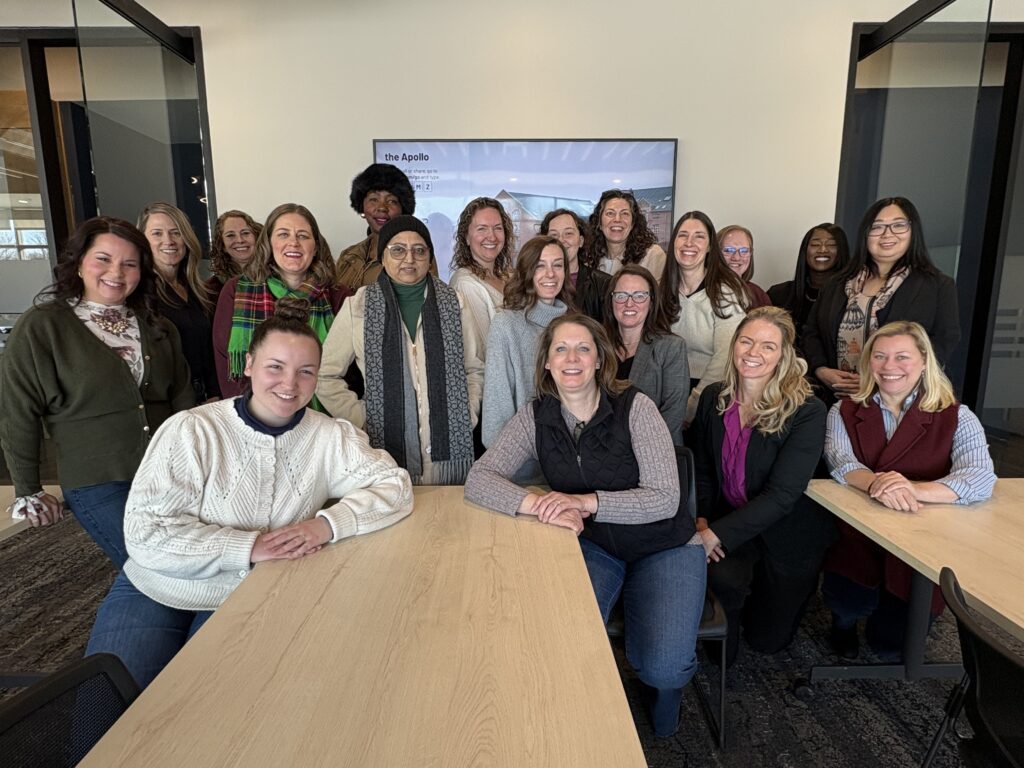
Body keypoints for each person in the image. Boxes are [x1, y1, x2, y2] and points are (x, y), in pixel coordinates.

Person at [85, 299, 414, 689]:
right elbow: (145, 533)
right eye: (275, 367)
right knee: (103, 708)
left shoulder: (330, 435)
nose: (289, 384)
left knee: (199, 702)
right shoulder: (192, 429)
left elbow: (396, 486)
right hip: (157, 585)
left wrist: (326, 525)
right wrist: (248, 547)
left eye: (305, 372)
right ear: (249, 366)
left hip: (249, 592)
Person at [465, 314, 705, 738]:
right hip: (594, 545)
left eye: (583, 348)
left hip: (663, 544)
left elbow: (665, 498)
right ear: (546, 362)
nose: (571, 358)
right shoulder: (535, 416)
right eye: (560, 349)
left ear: (599, 360)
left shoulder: (636, 407)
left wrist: (585, 502)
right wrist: (538, 505)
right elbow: (479, 479)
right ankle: (578, 722)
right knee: (562, 642)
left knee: (663, 668)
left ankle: (664, 694)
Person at [0, 217, 194, 567]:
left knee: (199, 559)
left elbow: (181, 398)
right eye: (103, 259)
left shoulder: (157, 325)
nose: (116, 272)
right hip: (99, 480)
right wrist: (28, 489)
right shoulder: (43, 326)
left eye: (129, 264)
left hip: (169, 473)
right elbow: (18, 412)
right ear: (79, 263)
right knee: (153, 566)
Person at [822, 321, 995, 660]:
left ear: (924, 361)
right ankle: (842, 621)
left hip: (924, 538)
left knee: (889, 647)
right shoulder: (842, 410)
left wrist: (909, 489)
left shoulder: (957, 416)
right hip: (863, 531)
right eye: (880, 356)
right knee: (848, 601)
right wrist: (879, 484)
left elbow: (979, 478)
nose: (889, 367)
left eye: (902, 357)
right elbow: (841, 463)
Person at [690, 306, 829, 664]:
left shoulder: (807, 410)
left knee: (768, 640)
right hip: (729, 519)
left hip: (785, 532)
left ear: (783, 355)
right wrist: (703, 522)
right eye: (746, 342)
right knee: (722, 594)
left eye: (767, 346)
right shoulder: (713, 398)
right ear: (734, 344)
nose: (753, 354)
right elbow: (703, 469)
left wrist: (715, 535)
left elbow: (782, 496)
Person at [317, 215, 483, 484]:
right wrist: (362, 420)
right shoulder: (358, 307)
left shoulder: (455, 303)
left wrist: (467, 413)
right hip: (385, 450)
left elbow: (473, 368)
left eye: (419, 250)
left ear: (429, 258)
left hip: (450, 448)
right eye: (398, 250)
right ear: (383, 257)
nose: (409, 259)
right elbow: (324, 375)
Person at [803, 197, 960, 405]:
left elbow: (944, 340)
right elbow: (811, 331)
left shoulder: (937, 286)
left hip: (901, 401)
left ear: (913, 231)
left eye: (898, 225)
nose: (887, 234)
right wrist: (821, 370)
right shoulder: (836, 283)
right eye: (877, 227)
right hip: (835, 398)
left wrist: (884, 379)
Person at [213, 203, 351, 402]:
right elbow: (225, 364)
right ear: (268, 243)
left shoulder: (339, 296)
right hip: (254, 413)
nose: (293, 243)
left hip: (327, 414)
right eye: (283, 234)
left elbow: (351, 372)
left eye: (303, 235)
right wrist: (247, 420)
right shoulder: (236, 291)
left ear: (316, 247)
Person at [481, 235, 572, 481]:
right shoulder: (506, 324)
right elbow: (495, 415)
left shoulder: (573, 323)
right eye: (540, 266)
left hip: (570, 470)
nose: (550, 274)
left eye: (558, 265)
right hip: (524, 473)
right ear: (526, 271)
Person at [658, 211, 747, 424]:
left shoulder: (725, 292)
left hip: (709, 393)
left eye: (699, 236)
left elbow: (726, 355)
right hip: (666, 389)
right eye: (682, 235)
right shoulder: (660, 289)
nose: (689, 243)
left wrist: (694, 402)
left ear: (709, 247)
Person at [139, 202, 220, 402]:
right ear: (143, 241)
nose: (169, 241)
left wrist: (214, 393)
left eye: (176, 233)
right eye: (157, 233)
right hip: (168, 402)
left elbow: (207, 349)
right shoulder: (140, 292)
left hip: (203, 398)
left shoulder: (196, 289)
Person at [604, 264, 689, 445]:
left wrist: (637, 450)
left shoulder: (671, 347)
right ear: (611, 300)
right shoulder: (598, 346)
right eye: (621, 296)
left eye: (639, 296)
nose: (629, 303)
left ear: (651, 302)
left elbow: (673, 414)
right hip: (604, 452)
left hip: (656, 452)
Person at [336, 163, 423, 289]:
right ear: (362, 206)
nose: (382, 208)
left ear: (403, 209)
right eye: (374, 199)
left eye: (391, 201)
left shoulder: (416, 255)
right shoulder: (348, 256)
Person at [448, 197, 514, 354]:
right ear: (466, 237)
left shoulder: (509, 276)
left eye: (498, 228)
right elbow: (481, 355)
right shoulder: (466, 284)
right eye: (482, 229)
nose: (491, 236)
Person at [768, 223, 849, 344]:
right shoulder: (778, 294)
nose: (822, 249)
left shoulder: (851, 297)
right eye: (815, 244)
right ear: (805, 251)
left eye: (831, 245)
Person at [540, 207, 611, 322]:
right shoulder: (534, 281)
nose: (561, 240)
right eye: (554, 235)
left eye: (568, 233)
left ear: (581, 241)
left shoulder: (603, 284)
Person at [587, 189, 666, 281]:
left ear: (633, 223)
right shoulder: (589, 258)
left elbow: (659, 294)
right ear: (599, 223)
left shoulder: (652, 255)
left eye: (625, 213)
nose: (617, 219)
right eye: (610, 213)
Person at [206, 209, 263, 297]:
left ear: (257, 237)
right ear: (222, 245)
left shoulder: (278, 278)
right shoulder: (211, 289)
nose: (240, 240)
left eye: (245, 233)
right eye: (230, 235)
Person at [716, 225, 770, 308]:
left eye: (744, 250)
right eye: (729, 250)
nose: (736, 257)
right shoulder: (704, 291)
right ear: (715, 253)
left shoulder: (758, 294)